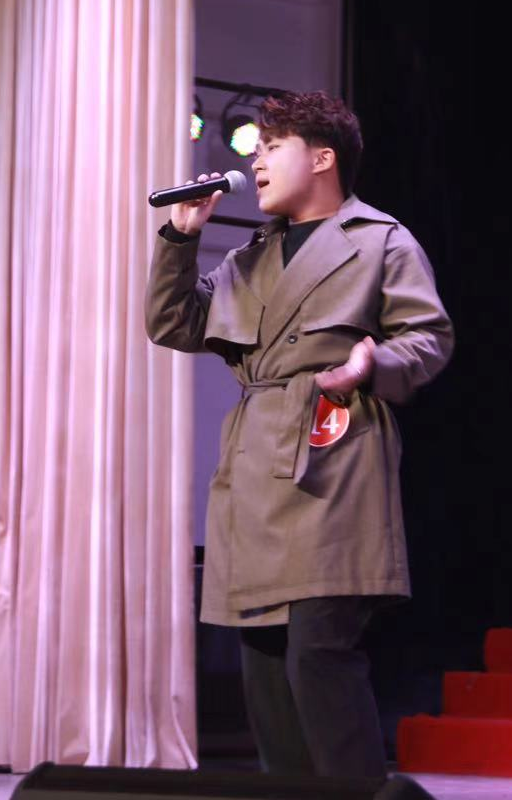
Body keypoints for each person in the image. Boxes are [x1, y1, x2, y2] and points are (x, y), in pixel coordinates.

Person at [146, 91, 454, 779]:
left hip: (332, 458)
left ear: (322, 158)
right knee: (264, 666)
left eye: (272, 147)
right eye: (255, 149)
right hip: (255, 468)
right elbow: (173, 323)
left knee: (319, 652)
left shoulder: (379, 240)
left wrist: (374, 363)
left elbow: (429, 338)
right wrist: (180, 238)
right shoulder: (249, 258)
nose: (255, 162)